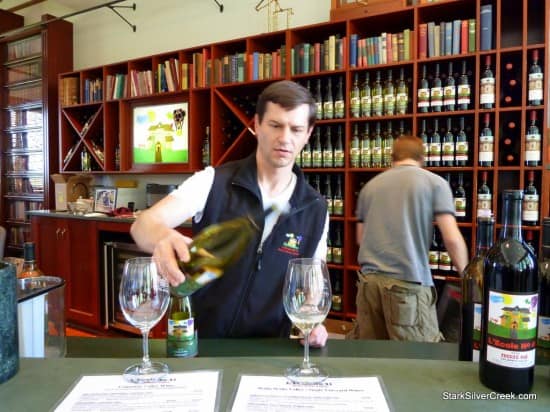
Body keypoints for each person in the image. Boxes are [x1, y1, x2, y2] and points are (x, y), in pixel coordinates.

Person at [131, 80, 329, 346]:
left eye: (296, 129)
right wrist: (163, 237)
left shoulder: (315, 207)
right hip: (200, 343)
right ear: (256, 125)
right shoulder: (213, 181)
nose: (285, 138)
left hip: (270, 353)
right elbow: (143, 225)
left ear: (308, 134)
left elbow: (312, 282)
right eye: (275, 125)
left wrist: (312, 318)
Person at [347, 135, 468, 342]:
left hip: (369, 285)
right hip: (407, 287)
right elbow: (452, 239)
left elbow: (360, 237)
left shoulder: (370, 187)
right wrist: (467, 277)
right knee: (419, 359)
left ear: (392, 157)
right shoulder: (434, 183)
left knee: (370, 357)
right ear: (422, 158)